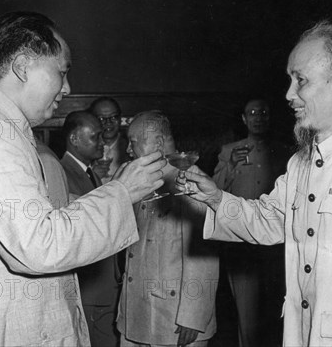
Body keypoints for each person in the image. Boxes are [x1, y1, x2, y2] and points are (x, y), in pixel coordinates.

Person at [0, 11, 165, 347]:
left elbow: (31, 219)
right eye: (62, 72)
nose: (67, 87)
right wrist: (122, 191)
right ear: (22, 67)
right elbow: (39, 245)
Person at [178, 21, 332, 347]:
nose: (288, 94)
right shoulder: (301, 163)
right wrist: (216, 199)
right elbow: (271, 221)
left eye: (301, 80)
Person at [117, 110, 219, 347]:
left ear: (159, 143)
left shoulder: (191, 183)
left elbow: (204, 255)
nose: (129, 151)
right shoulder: (141, 180)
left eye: (133, 143)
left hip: (174, 320)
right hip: (138, 312)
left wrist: (193, 317)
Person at [212, 98, 290, 347]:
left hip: (276, 246)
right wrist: (231, 166)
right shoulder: (229, 151)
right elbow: (213, 192)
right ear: (244, 119)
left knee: (278, 312)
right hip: (242, 247)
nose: (258, 117)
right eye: (252, 113)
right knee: (247, 315)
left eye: (263, 112)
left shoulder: (286, 152)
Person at [60, 110, 122, 347]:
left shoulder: (89, 173)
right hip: (89, 290)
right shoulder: (62, 172)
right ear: (74, 139)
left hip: (103, 288)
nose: (102, 142)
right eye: (95, 137)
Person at [90, 96, 129, 184]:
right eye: (101, 118)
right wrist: (91, 176)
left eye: (113, 117)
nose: (108, 123)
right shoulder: (85, 147)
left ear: (120, 119)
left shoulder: (130, 146)